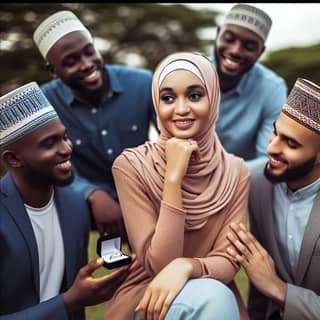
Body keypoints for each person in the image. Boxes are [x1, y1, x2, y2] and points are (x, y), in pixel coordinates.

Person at [102, 52, 251, 320]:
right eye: (168, 98)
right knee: (213, 299)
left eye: (194, 96)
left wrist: (187, 266)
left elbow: (229, 260)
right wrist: (173, 177)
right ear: (156, 105)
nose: (181, 109)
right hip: (150, 296)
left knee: (213, 297)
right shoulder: (131, 165)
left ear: (213, 99)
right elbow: (159, 264)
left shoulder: (236, 171)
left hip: (212, 292)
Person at [0, 82, 135, 319]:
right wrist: (70, 301)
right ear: (13, 159)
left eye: (64, 137)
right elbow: (72, 299)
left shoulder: (75, 206)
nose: (67, 149)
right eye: (49, 144)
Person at [32, 10, 157, 236]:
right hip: (84, 203)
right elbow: (46, 166)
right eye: (71, 62)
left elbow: (172, 140)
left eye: (90, 52)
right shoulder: (45, 103)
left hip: (147, 191)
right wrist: (91, 193)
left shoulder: (143, 83)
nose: (87, 64)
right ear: (53, 71)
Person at [226, 78, 320, 319]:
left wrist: (279, 289)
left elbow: (267, 284)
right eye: (275, 132)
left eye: (291, 144)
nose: (271, 148)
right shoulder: (256, 181)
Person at [211, 3, 288, 169]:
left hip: (241, 181)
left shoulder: (272, 89)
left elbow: (267, 158)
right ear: (218, 35)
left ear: (260, 52)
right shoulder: (189, 74)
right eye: (229, 39)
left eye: (249, 46)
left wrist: (220, 179)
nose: (235, 51)